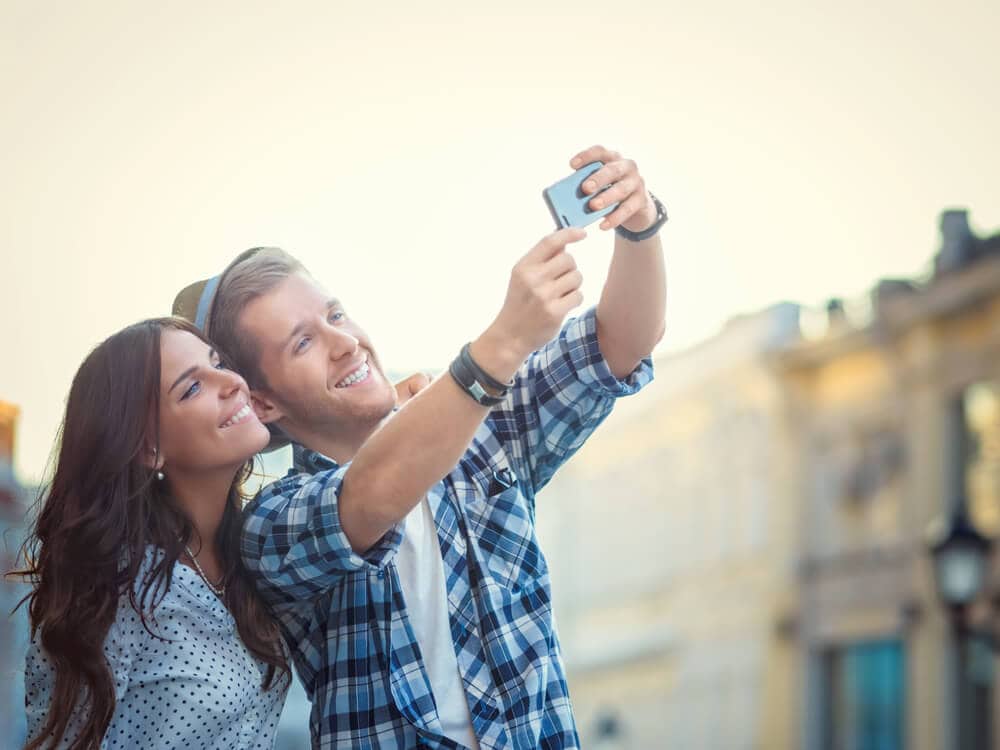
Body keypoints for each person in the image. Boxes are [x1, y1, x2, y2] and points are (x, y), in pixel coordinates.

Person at [173, 145, 667, 749]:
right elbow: (373, 494)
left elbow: (620, 344)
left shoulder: (487, 435)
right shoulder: (269, 525)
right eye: (303, 343)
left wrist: (640, 226)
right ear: (266, 402)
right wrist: (504, 342)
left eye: (336, 314)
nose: (346, 342)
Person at [18, 318, 290, 749]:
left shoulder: (252, 555)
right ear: (149, 448)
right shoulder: (115, 591)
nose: (232, 382)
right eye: (192, 388)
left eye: (218, 362)